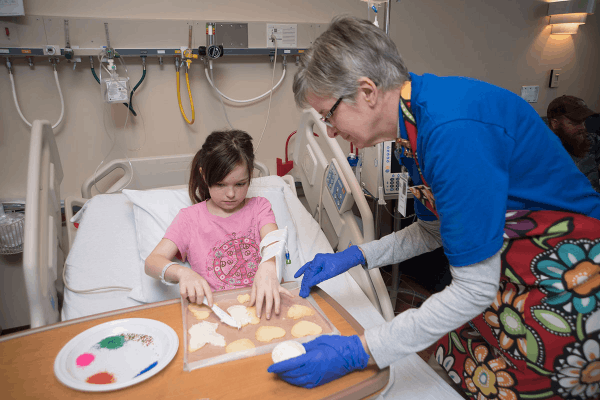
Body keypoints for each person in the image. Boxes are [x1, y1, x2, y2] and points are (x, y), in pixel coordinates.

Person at [267, 16, 600, 399]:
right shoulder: (413, 129)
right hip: (507, 277)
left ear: (367, 92)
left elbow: (473, 288)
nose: (329, 130)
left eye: (329, 115)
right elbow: (432, 230)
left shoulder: (451, 131)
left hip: (566, 280)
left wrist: (363, 350)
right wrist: (358, 255)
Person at [145, 130, 292, 319]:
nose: (231, 194)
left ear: (250, 175)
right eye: (221, 185)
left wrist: (269, 265)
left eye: (240, 184)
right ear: (204, 176)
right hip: (219, 314)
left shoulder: (259, 207)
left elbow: (273, 241)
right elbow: (152, 262)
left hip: (266, 306)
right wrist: (183, 273)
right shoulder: (189, 219)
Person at [547, 95, 600, 193]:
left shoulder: (592, 141)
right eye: (575, 123)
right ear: (555, 123)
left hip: (594, 202)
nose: (582, 127)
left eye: (583, 122)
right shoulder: (542, 150)